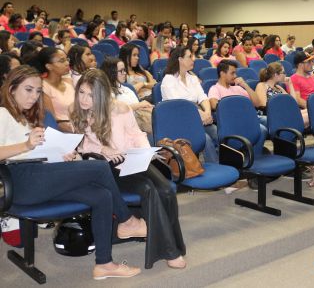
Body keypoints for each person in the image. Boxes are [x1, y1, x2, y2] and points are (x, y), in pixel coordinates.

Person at [0, 65, 146, 280]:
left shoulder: (25, 117)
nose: (34, 96)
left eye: (38, 91)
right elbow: (17, 152)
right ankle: (127, 220)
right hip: (22, 182)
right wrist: (26, 145)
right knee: (99, 168)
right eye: (28, 90)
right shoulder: (3, 113)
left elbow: (35, 153)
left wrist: (59, 154)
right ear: (12, 88)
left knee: (101, 195)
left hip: (40, 176)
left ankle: (104, 264)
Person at [71, 69, 185, 269]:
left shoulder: (120, 109)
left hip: (131, 159)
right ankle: (170, 251)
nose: (85, 99)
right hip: (107, 167)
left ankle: (174, 244)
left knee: (166, 190)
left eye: (91, 95)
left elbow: (136, 134)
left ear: (102, 95)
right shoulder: (77, 113)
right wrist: (102, 148)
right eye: (82, 92)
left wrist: (145, 151)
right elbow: (80, 145)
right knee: (148, 189)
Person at [161, 46, 218, 163]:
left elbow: (202, 97)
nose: (193, 59)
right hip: (179, 121)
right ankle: (213, 168)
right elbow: (180, 105)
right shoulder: (169, 80)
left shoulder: (192, 78)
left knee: (217, 132)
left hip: (198, 117)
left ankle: (223, 164)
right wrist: (201, 114)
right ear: (180, 59)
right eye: (189, 57)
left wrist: (207, 112)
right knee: (205, 139)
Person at [100, 57, 154, 133]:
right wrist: (139, 105)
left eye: (124, 70)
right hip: (121, 128)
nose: (125, 73)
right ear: (111, 72)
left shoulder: (127, 88)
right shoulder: (106, 92)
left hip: (136, 123)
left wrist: (145, 106)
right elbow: (114, 111)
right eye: (121, 71)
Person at [32, 48, 75, 132]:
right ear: (49, 66)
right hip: (61, 131)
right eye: (62, 61)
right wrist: (76, 130)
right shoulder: (42, 87)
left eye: (67, 59)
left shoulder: (69, 81)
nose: (67, 63)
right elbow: (51, 121)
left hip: (78, 125)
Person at [255, 61, 309, 127]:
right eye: (283, 73)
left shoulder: (278, 87)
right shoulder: (262, 85)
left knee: (311, 111)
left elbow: (293, 102)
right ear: (276, 75)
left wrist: (290, 84)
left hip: (285, 112)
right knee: (310, 116)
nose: (285, 75)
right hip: (274, 116)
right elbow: (263, 105)